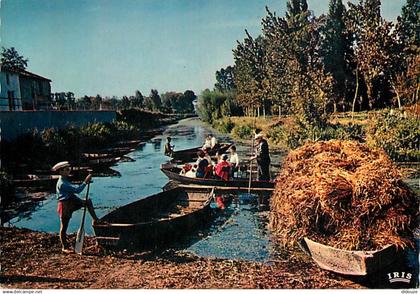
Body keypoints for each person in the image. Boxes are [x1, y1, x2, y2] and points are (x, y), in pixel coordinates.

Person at [53, 161, 100, 254]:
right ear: (61, 172)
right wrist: (85, 181)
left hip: (71, 201)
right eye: (66, 169)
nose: (69, 171)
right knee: (64, 226)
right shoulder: (62, 183)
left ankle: (96, 219)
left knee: (88, 202)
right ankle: (64, 247)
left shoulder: (65, 179)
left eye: (69, 169)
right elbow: (77, 190)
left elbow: (74, 192)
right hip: (64, 205)